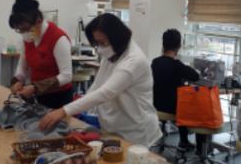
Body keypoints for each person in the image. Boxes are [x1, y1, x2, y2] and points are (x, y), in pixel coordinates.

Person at [39, 13, 162, 147]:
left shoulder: (133, 62)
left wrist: (64, 111)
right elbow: (97, 85)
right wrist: (76, 108)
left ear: (117, 38)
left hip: (136, 131)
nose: (99, 48)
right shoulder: (112, 53)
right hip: (114, 127)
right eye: (97, 43)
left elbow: (104, 93)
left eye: (102, 43)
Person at [8, 0, 73, 108]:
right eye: (19, 30)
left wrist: (35, 87)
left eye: (25, 29)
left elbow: (67, 75)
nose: (23, 33)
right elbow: (23, 67)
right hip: (37, 95)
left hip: (59, 98)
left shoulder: (58, 38)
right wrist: (17, 81)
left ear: (38, 21)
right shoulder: (28, 38)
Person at [151, 29, 200, 149]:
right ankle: (187, 142)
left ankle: (184, 140)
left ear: (163, 44)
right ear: (178, 47)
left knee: (179, 101)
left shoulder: (155, 62)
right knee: (194, 106)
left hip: (154, 105)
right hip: (172, 109)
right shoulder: (177, 65)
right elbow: (196, 76)